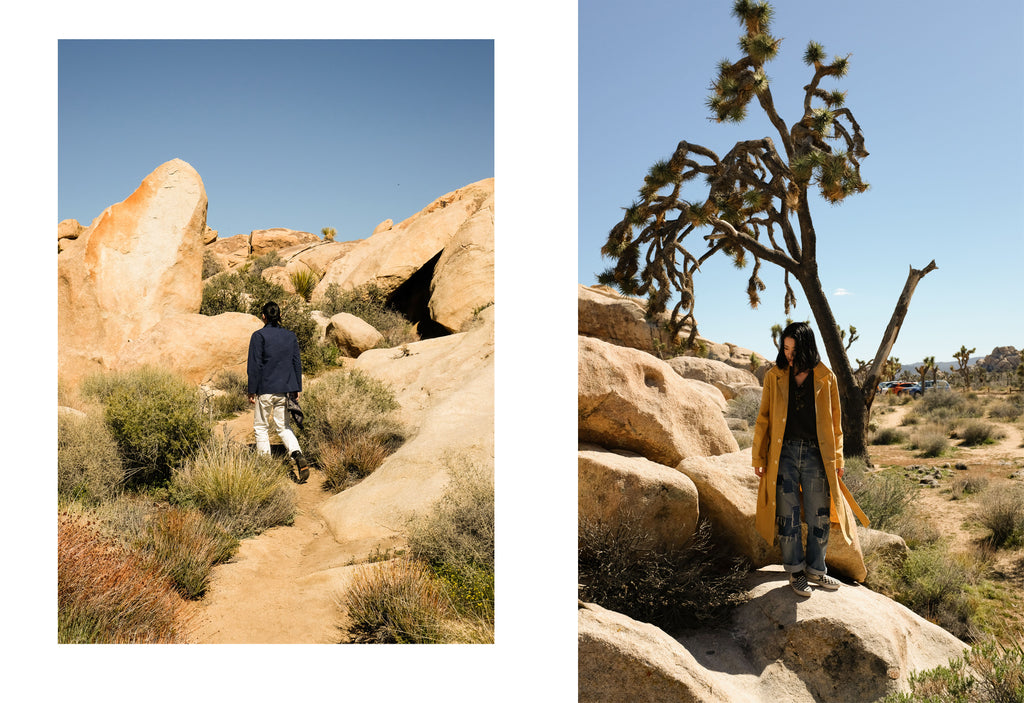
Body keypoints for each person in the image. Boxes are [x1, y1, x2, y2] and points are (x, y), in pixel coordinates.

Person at [752, 322, 868, 596]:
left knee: (820, 514)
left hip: (818, 455)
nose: (789, 353)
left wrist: (838, 460)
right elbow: (764, 418)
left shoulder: (825, 377)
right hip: (784, 454)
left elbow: (836, 423)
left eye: (794, 348)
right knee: (787, 514)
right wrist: (759, 455)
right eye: (786, 347)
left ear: (807, 347)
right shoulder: (775, 376)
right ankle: (795, 571)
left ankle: (816, 570)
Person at [247, 301, 309, 483]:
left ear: (263, 317)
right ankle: (296, 453)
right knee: (283, 427)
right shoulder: (290, 336)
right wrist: (297, 387)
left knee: (261, 427)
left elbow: (254, 365)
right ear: (280, 316)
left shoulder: (258, 336)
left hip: (265, 389)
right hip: (285, 390)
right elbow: (296, 362)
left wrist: (252, 390)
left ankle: (265, 467)